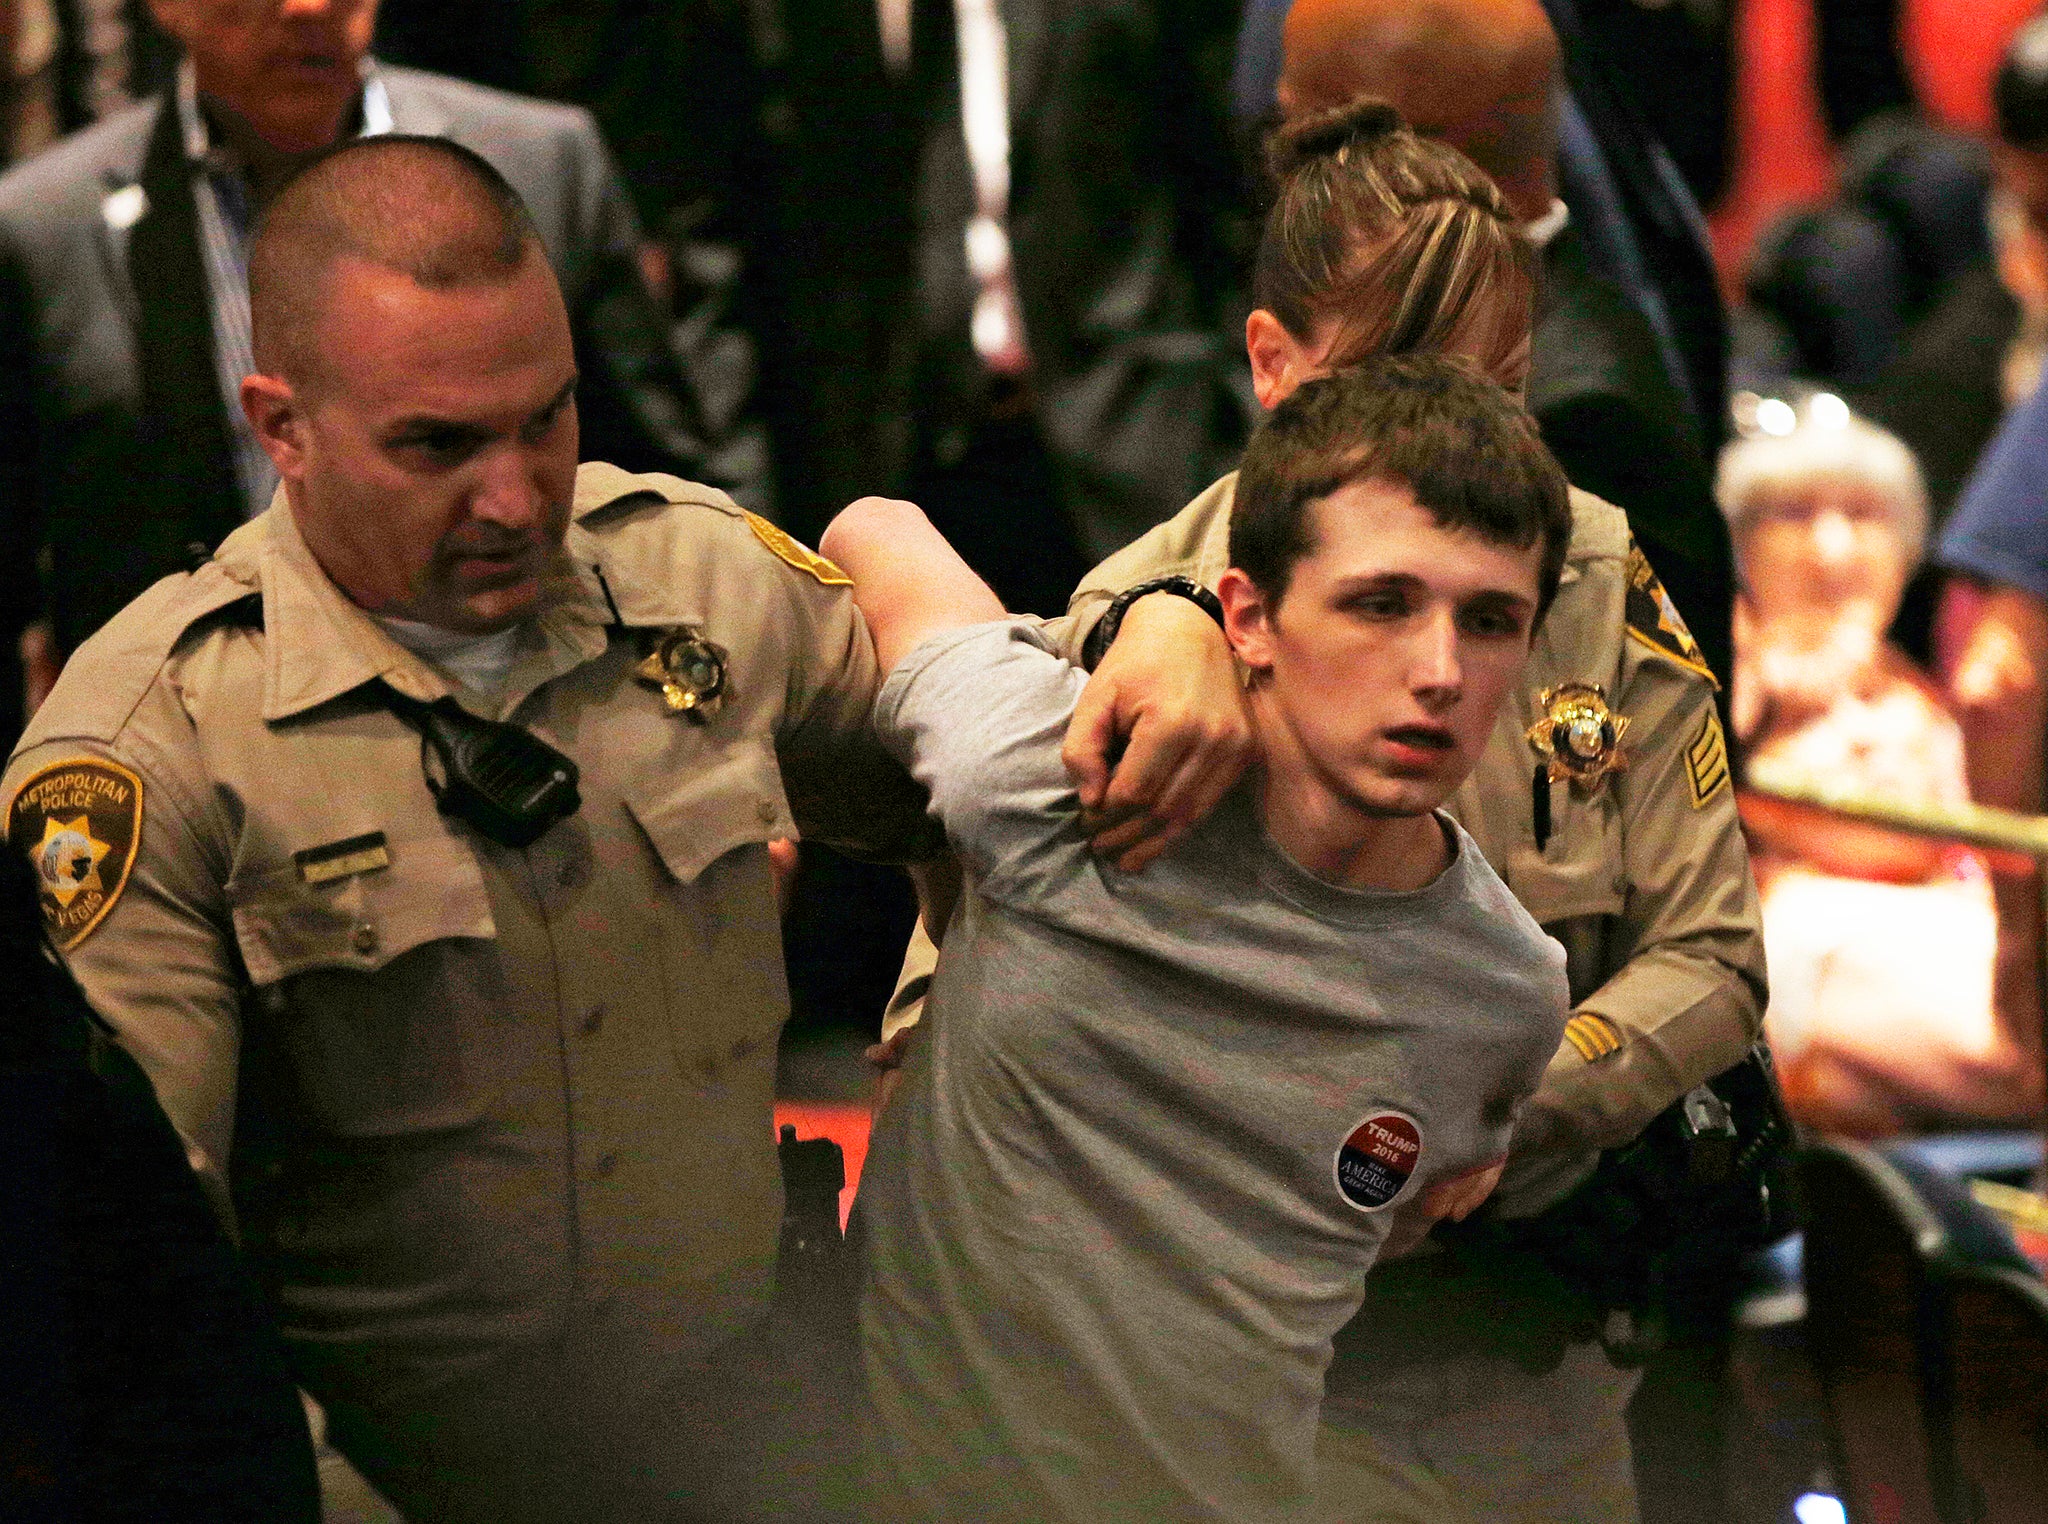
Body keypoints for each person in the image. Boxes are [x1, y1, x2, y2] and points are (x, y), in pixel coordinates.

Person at [0, 135, 941, 1523]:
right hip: (392, 1480)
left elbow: (1004, 796)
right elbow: (139, 1276)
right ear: (282, 428)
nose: (515, 499)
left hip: (757, 1432)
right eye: (437, 445)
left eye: (546, 421)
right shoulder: (153, 751)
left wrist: (936, 1041)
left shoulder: (698, 588)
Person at [878, 98, 1764, 1524]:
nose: (1454, 451)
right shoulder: (1140, 606)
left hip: (1511, 1350)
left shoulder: (1592, 573)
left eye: (1501, 393)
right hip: (1205, 1374)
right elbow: (968, 958)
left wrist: (1488, 1114)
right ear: (1277, 368)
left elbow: (1713, 954)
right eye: (1406, 381)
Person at [830, 354, 1575, 1524]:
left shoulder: (1505, 996)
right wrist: (1158, 615)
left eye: (1489, 621)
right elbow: (873, 525)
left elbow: (1386, 1213)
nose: (1438, 673)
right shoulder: (1066, 780)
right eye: (1380, 604)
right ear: (1250, 616)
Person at [0, 0, 715, 735]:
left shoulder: (542, 161)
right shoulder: (40, 232)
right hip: (199, 759)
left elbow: (659, 495)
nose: (310, 6)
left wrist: (710, 725)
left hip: (538, 719)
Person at [1273, 0, 1735, 688]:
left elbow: (1582, 765)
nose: (1277, 182)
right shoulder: (1528, 326)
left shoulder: (1566, 423)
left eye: (1295, 138)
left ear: (1397, 158)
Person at [1720, 399, 2033, 1134]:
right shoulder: (1721, 666)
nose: (1831, 550)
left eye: (1863, 516)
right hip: (1790, 929)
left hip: (1952, 929)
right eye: (1791, 515)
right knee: (2024, 1051)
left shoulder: (1923, 679)